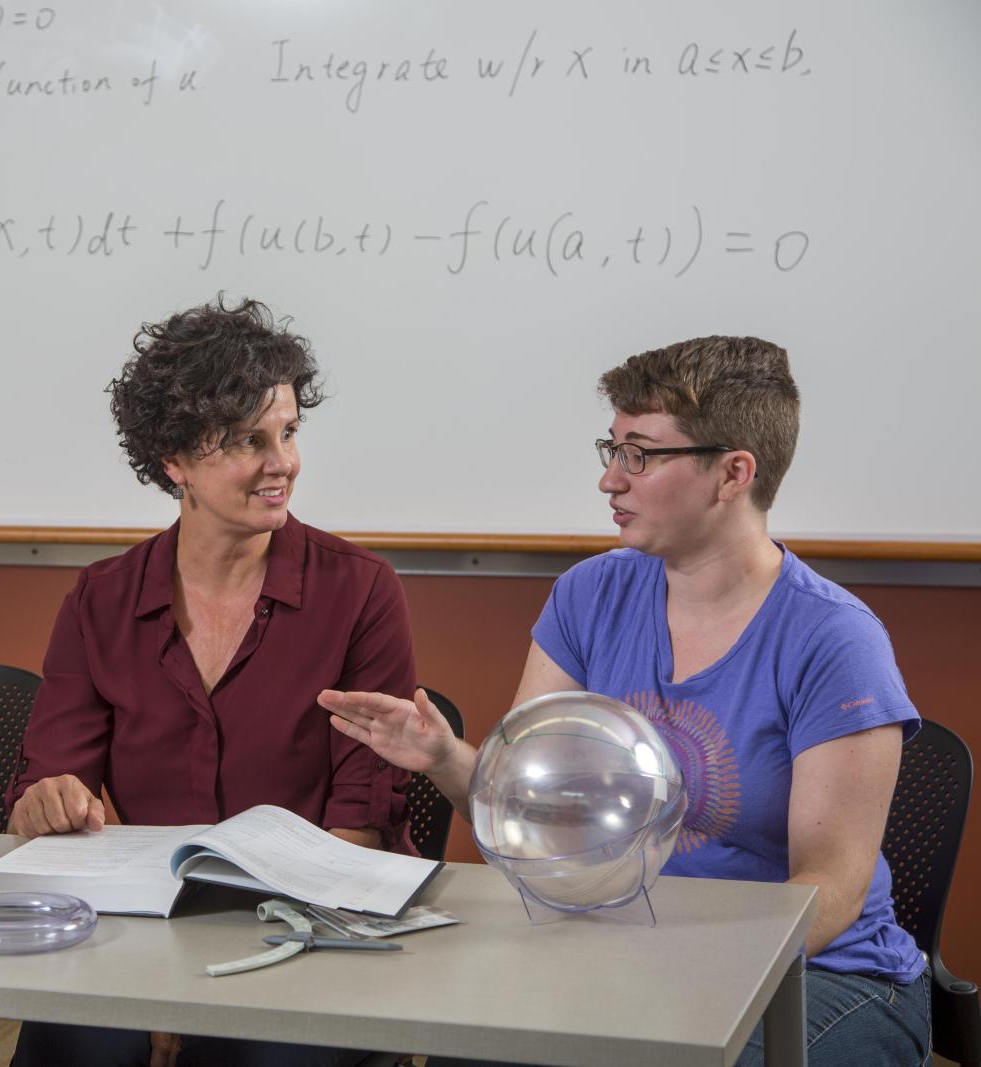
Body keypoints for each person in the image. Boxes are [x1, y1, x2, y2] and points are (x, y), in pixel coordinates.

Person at [320, 336, 930, 1066]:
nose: (611, 479)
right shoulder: (589, 594)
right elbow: (526, 819)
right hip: (622, 956)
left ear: (733, 472)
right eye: (609, 449)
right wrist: (447, 759)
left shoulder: (834, 639)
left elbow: (828, 892)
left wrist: (673, 980)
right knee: (470, 1049)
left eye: (639, 454)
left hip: (823, 976)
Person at [4, 297, 418, 1067]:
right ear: (174, 460)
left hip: (310, 923)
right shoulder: (100, 599)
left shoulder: (360, 590)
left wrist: (195, 986)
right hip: (143, 920)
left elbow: (358, 827)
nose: (283, 462)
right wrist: (47, 802)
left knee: (254, 1055)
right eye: (245, 441)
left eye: (289, 432)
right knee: (73, 1044)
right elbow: (44, 793)